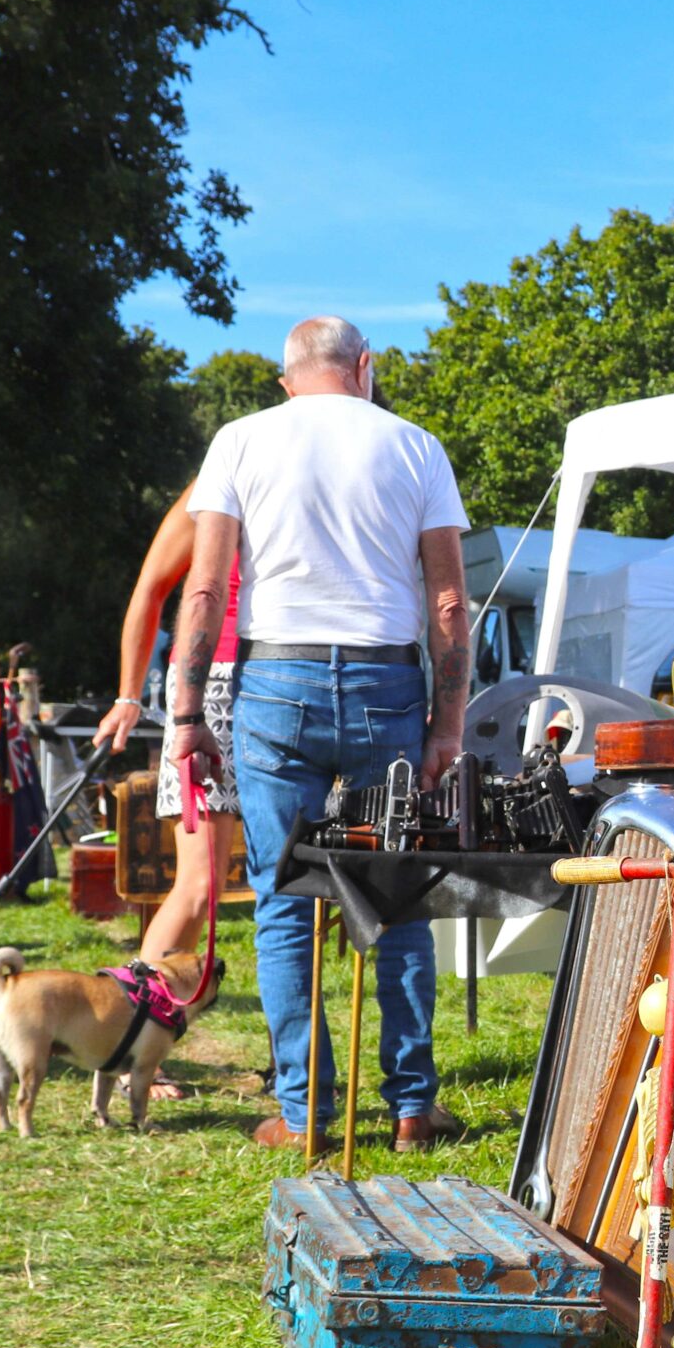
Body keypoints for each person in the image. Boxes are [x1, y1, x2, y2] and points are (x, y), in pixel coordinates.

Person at [166, 316, 473, 1152]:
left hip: (277, 680)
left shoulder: (239, 440)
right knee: (396, 894)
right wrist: (448, 722)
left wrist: (187, 714)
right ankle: (413, 1106)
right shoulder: (416, 445)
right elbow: (448, 602)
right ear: (365, 367)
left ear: (285, 379)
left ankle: (306, 1115)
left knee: (283, 901)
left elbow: (203, 591)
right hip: (386, 681)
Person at [92, 483, 243, 1101]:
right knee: (200, 884)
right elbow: (151, 587)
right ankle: (129, 1043)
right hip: (216, 683)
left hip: (297, 679)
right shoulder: (215, 485)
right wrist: (129, 694)